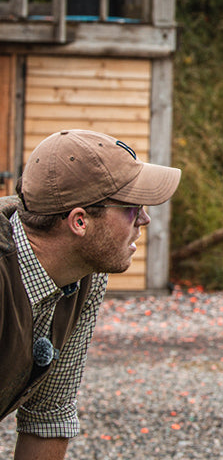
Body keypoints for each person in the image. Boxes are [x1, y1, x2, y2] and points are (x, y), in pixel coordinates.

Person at [1, 129, 181, 460]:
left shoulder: (85, 275)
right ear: (80, 222)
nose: (145, 218)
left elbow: (49, 415)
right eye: (131, 207)